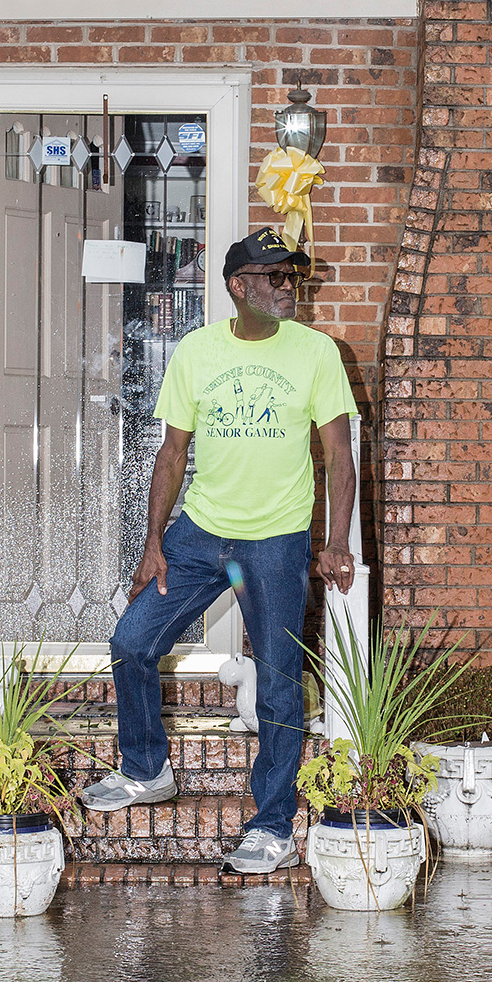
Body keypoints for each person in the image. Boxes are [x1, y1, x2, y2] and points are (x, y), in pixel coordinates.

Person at [81, 228, 358, 874]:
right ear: (239, 285)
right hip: (202, 531)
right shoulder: (197, 351)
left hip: (274, 538)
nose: (288, 286)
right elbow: (171, 451)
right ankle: (145, 768)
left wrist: (334, 540)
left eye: (293, 276)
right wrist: (153, 542)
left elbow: (338, 455)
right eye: (274, 276)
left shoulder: (316, 352)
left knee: (279, 684)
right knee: (132, 641)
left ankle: (270, 827)